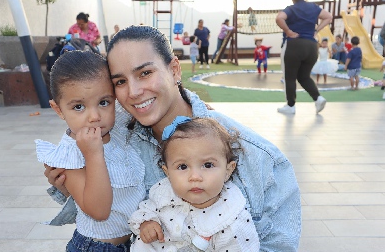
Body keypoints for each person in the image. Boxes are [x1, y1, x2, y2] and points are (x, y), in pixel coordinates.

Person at [45, 25, 301, 251]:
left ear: (174, 69)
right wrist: (68, 184)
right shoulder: (117, 129)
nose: (134, 92)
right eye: (120, 81)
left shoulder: (257, 158)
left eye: (145, 73)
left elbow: (278, 244)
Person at [36, 50, 146, 251]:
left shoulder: (117, 126)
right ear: (58, 110)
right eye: (78, 107)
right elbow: (98, 210)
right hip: (94, 246)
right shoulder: (71, 154)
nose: (94, 116)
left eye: (104, 102)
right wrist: (93, 155)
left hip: (130, 243)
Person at [128, 116, 260, 251]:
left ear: (228, 170)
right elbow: (146, 209)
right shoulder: (163, 191)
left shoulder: (232, 218)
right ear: (167, 173)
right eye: (183, 167)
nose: (195, 177)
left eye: (208, 165)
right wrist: (147, 223)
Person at [275, 0, 332, 114]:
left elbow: (279, 18)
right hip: (312, 46)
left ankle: (290, 106)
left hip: (294, 45)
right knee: (304, 76)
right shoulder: (313, 7)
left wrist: (288, 31)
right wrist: (316, 31)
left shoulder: (291, 9)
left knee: (290, 77)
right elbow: (328, 17)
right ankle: (318, 98)